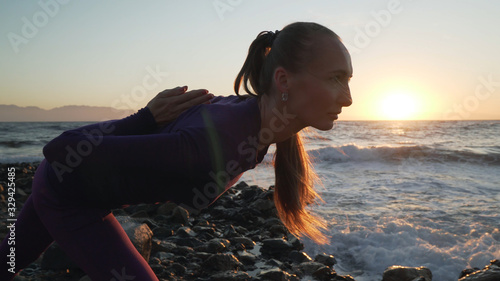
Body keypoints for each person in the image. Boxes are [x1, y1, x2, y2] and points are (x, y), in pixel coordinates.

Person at [0, 21, 352, 280]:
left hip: (80, 190)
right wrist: (142, 118)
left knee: (7, 262)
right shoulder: (216, 143)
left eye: (347, 80)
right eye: (335, 78)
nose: (347, 98)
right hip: (67, 195)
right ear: (283, 80)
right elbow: (60, 149)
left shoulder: (257, 121)